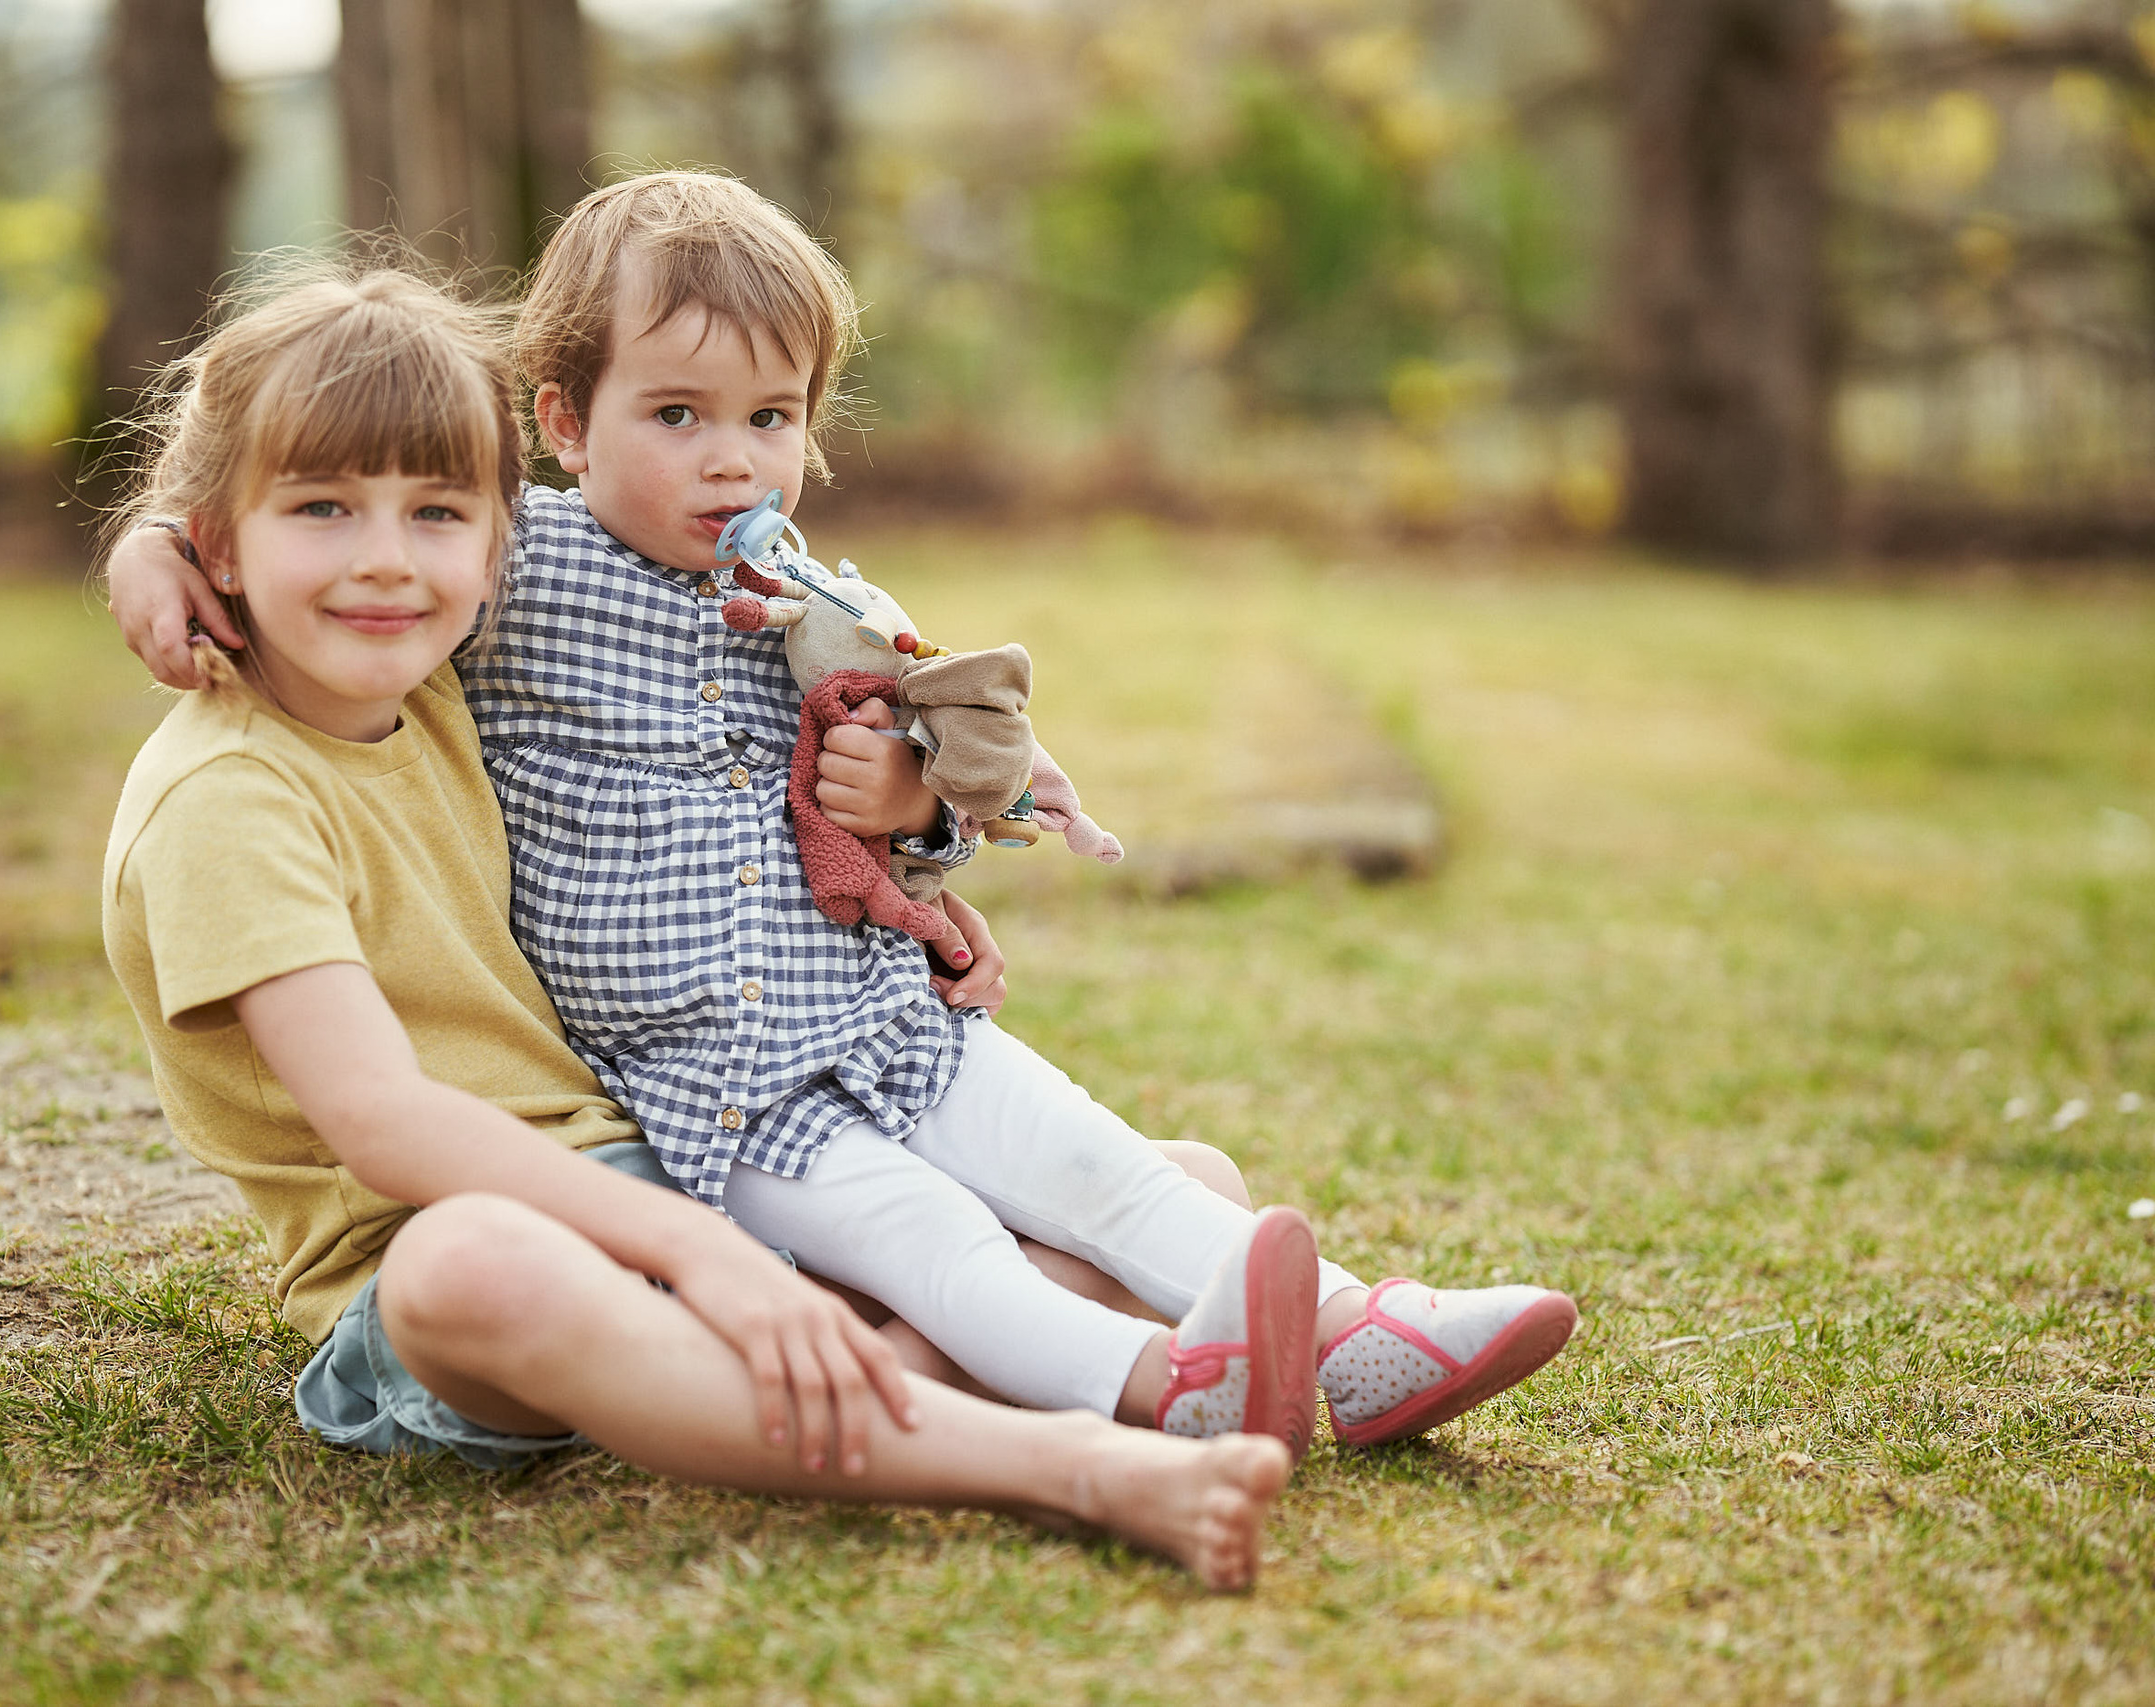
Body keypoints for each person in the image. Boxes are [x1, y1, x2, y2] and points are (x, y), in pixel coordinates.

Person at [106, 176, 1576, 1457]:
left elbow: (919, 795)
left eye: (770, 419)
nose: (730, 460)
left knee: (1103, 1163)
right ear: (560, 423)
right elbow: (347, 523)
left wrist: (920, 805)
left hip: (875, 1013)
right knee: (934, 1245)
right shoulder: (512, 569)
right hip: (717, 1088)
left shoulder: (819, 604)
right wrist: (163, 550)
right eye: (676, 416)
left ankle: (1366, 1339)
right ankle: (1153, 1386)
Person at [98, 260, 1301, 1591]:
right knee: (466, 1265)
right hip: (466, 1253)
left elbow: (721, 778)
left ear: (498, 542)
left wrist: (918, 875)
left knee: (1188, 1184)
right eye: (322, 510)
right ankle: (1065, 1460)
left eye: (435, 513)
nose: (386, 558)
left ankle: (868, 1386)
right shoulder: (226, 798)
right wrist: (692, 1253)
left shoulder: (432, 672)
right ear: (220, 542)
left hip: (670, 1170)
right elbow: (384, 1126)